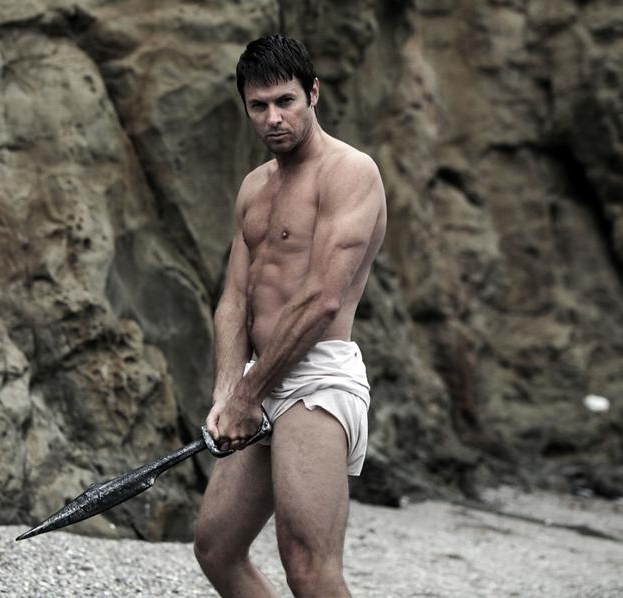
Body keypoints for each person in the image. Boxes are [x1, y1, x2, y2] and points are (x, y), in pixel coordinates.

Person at [194, 34, 387, 598]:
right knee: (216, 548)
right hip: (258, 380)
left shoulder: (349, 172)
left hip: (317, 377)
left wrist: (248, 394)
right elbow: (234, 299)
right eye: (259, 105)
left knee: (307, 565)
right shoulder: (255, 186)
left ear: (313, 94)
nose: (273, 118)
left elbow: (322, 298)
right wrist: (226, 392)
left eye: (286, 101)